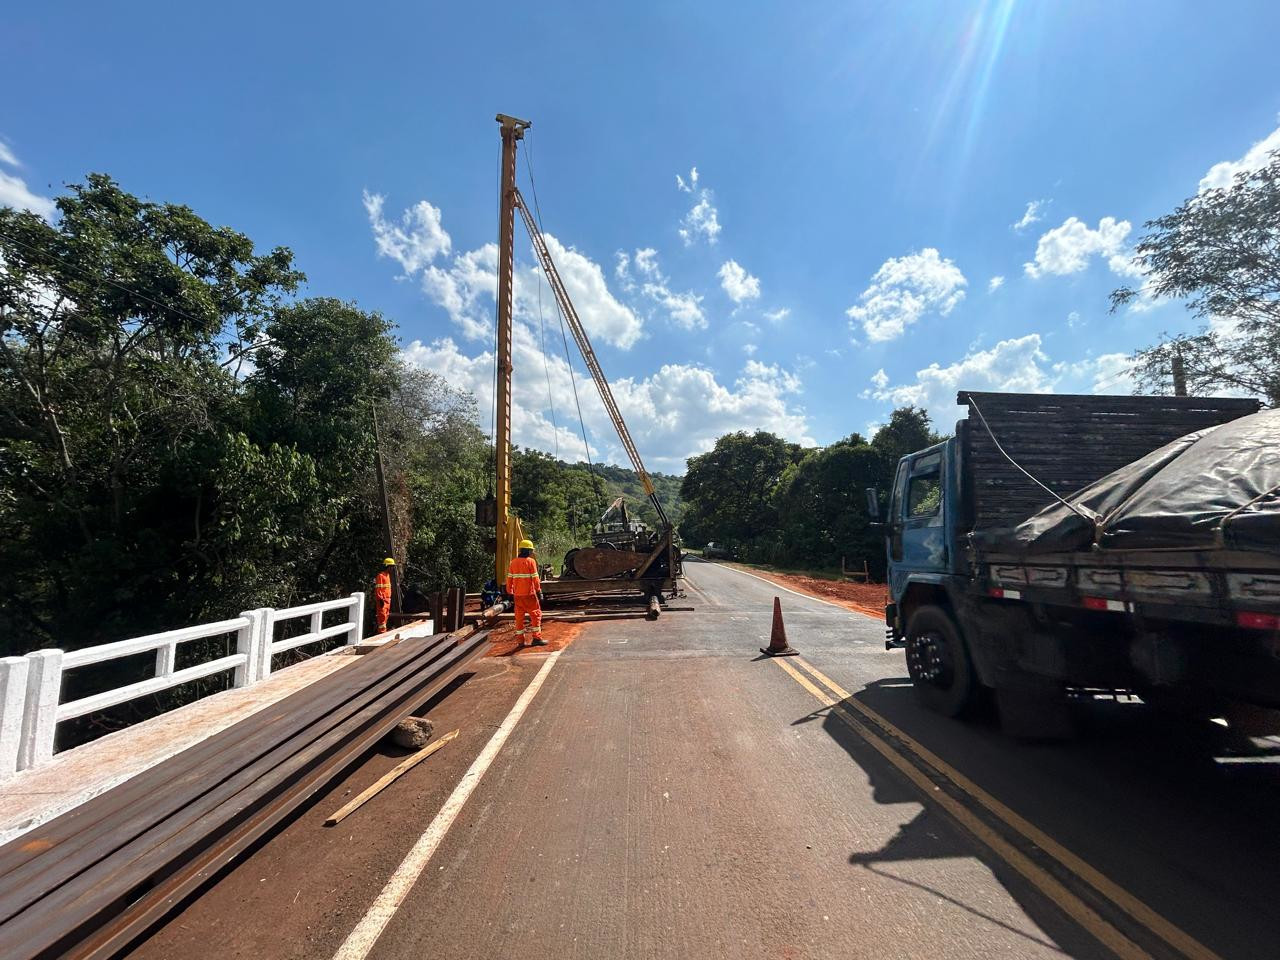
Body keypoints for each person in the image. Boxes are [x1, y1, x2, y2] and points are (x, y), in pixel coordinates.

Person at [506, 539, 545, 646]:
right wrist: (539, 591)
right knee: (535, 615)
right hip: (530, 595)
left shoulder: (512, 563)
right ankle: (536, 638)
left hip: (518, 596)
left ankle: (520, 641)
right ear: (528, 551)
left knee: (519, 618)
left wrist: (510, 593)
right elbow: (535, 579)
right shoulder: (531, 562)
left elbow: (509, 579)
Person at [374, 557, 394, 633]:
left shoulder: (388, 576)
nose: (392, 569)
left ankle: (383, 632)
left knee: (386, 616)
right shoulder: (380, 576)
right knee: (382, 617)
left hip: (387, 600)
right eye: (391, 567)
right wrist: (380, 599)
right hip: (382, 600)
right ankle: (381, 633)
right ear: (387, 566)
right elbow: (378, 589)